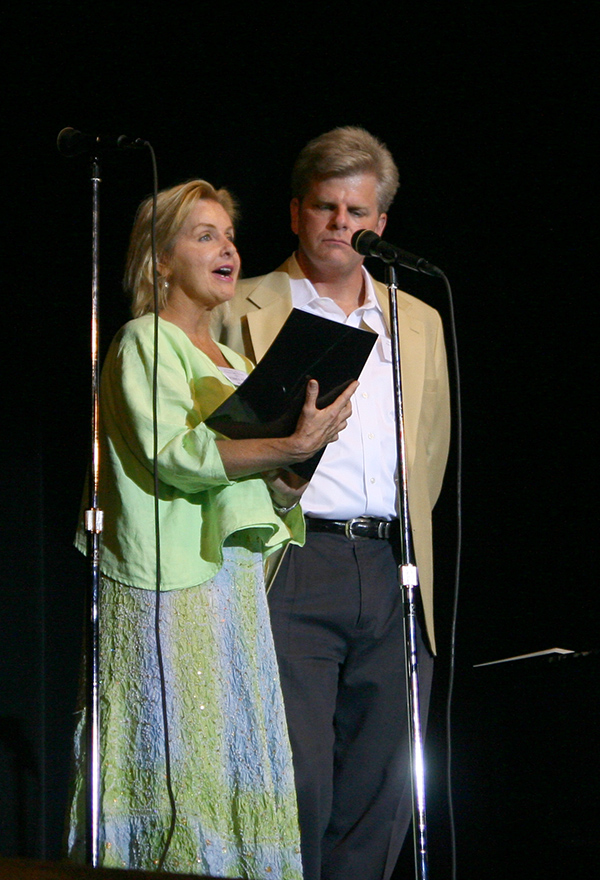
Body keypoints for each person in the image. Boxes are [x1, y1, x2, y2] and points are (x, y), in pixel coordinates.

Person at [64, 179, 357, 878]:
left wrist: (302, 456)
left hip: (232, 590)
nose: (226, 249)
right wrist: (284, 448)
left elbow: (267, 500)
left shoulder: (238, 365)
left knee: (232, 766)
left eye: (228, 236)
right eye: (204, 236)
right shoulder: (143, 343)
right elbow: (177, 455)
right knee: (174, 766)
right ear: (159, 260)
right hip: (166, 588)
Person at [218, 128, 451, 880]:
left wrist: (400, 546)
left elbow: (431, 456)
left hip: (393, 570)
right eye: (324, 207)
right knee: (297, 783)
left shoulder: (417, 318)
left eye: (357, 211)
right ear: (295, 212)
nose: (339, 225)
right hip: (291, 559)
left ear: (381, 222)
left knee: (382, 793)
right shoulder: (243, 305)